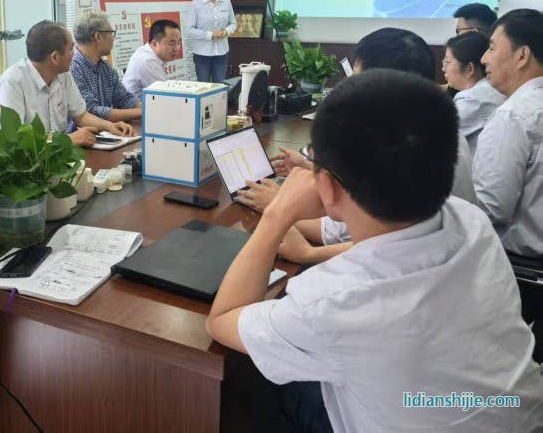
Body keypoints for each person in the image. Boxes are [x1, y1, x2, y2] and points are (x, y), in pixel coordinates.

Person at [206, 69, 543, 433]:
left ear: (327, 187)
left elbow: (222, 319)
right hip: (518, 415)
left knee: (266, 386)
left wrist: (277, 215)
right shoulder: (470, 220)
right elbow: (391, 255)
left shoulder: (332, 303)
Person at [238, 28, 477, 219]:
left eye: (357, 79)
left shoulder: (398, 148)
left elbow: (348, 231)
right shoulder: (432, 126)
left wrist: (279, 207)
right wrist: (313, 169)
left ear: (383, 86)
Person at [0, 19, 134, 147]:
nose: (74, 53)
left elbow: (81, 116)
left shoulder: (63, 76)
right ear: (55, 57)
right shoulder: (13, 82)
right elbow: (5, 140)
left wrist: (109, 126)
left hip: (58, 157)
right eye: (71, 48)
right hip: (29, 164)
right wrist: (68, 140)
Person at [473, 8, 543, 258]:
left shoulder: (513, 115)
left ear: (522, 55)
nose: (484, 58)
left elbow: (490, 208)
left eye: (492, 47)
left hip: (522, 267)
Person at [70, 9, 141, 129]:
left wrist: (149, 109)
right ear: (98, 36)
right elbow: (92, 111)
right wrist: (141, 112)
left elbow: (124, 99)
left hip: (106, 133)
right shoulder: (73, 68)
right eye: (111, 33)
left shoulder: (105, 68)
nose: (113, 39)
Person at [443, 32, 505, 156]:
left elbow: (437, 133)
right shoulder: (490, 88)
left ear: (470, 69)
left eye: (447, 62)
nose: (443, 69)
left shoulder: (471, 99)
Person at [186, 0, 236, 82]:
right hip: (202, 54)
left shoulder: (226, 2)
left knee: (220, 86)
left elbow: (233, 23)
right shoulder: (195, 4)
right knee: (204, 87)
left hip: (221, 53)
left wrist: (226, 31)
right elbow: (189, 30)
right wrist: (210, 34)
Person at [122, 19, 183, 101]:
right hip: (136, 107)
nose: (176, 48)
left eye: (179, 42)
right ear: (154, 43)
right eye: (171, 43)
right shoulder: (147, 61)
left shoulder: (148, 53)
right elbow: (165, 96)